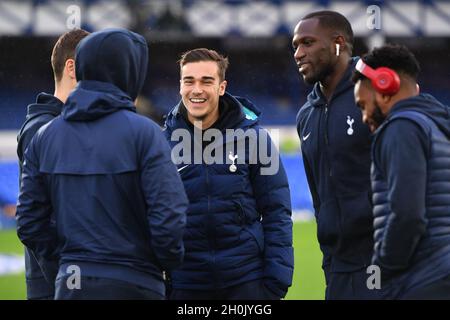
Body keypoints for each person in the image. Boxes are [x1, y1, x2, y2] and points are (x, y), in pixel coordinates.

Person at [16, 28, 188, 300]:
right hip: (137, 282)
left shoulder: (45, 136)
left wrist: (65, 267)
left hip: (71, 284)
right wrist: (162, 264)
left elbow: (29, 221)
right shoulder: (145, 132)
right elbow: (169, 214)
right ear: (128, 71)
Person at [164, 48, 293, 300]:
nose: (197, 89)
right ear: (180, 86)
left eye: (206, 81)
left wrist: (276, 280)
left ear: (222, 87)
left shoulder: (255, 140)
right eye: (189, 81)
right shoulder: (161, 144)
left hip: (245, 281)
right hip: (186, 284)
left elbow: (277, 212)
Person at [292, 11, 380, 299]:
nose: (298, 53)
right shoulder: (306, 116)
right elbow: (318, 196)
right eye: (295, 46)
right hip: (338, 267)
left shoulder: (377, 97)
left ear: (338, 43)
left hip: (383, 260)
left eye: (307, 43)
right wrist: (329, 260)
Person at [353, 44, 450, 299]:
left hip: (422, 279)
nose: (363, 116)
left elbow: (408, 215)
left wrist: (383, 268)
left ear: (385, 88)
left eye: (363, 105)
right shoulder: (436, 125)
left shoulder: (401, 128)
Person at [16, 28, 89, 300]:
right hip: (58, 287)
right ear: (72, 67)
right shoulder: (43, 129)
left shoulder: (68, 125)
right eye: (94, 67)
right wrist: (67, 277)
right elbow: (38, 221)